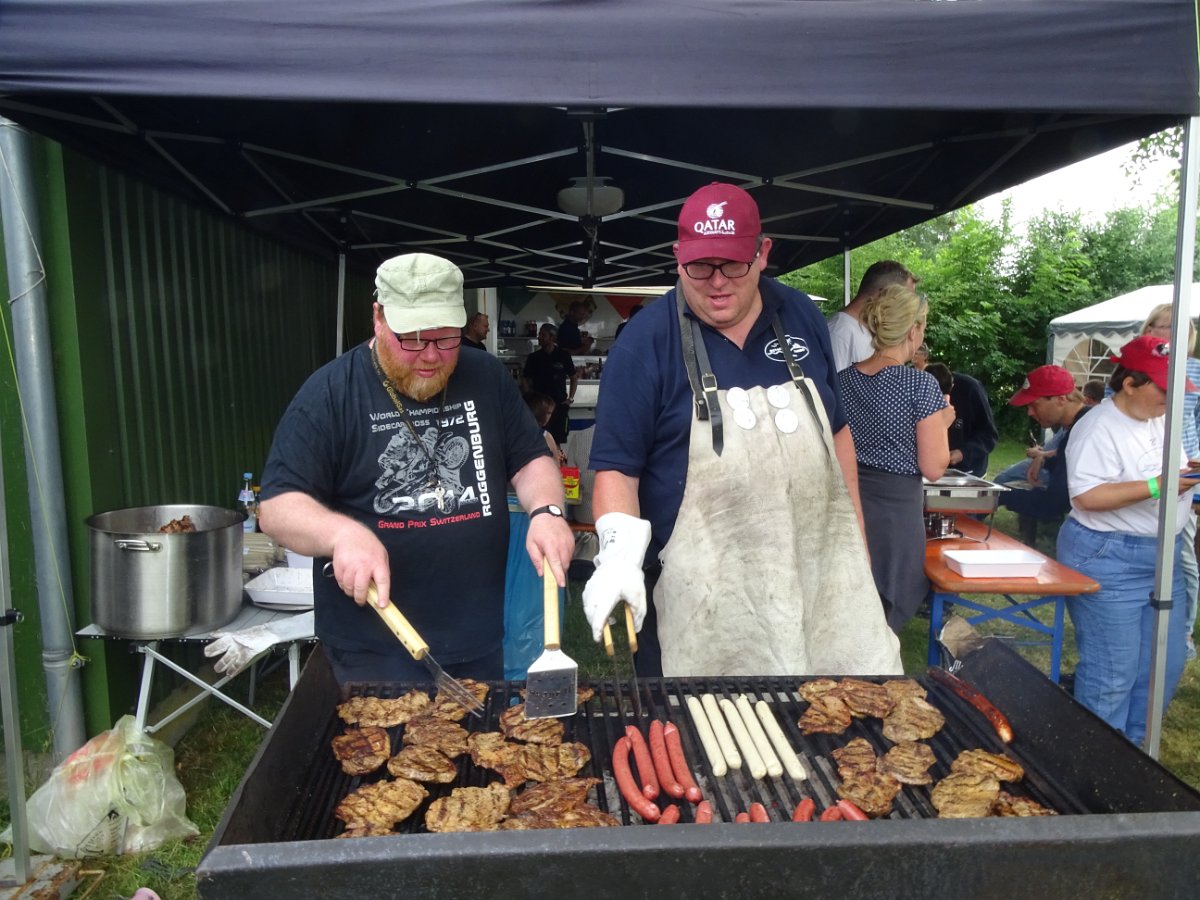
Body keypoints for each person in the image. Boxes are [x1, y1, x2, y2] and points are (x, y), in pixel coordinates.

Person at [581, 182, 902, 678]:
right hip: (703, 601)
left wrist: (853, 544)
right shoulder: (644, 344)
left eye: (733, 264)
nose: (716, 282)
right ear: (676, 256)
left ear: (763, 252)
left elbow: (835, 435)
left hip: (816, 581)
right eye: (699, 266)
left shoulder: (802, 316)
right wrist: (618, 557)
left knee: (828, 729)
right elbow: (616, 472)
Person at [257, 252, 574, 685]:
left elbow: (531, 458)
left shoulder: (484, 375)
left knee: (477, 752)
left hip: (477, 638)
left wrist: (547, 512)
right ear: (378, 319)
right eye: (412, 338)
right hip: (373, 649)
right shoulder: (330, 393)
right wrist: (342, 534)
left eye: (446, 339)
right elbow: (276, 507)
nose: (429, 356)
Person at [1058, 334, 1199, 745]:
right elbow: (1087, 496)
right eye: (1164, 389)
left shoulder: (1160, 419)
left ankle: (1135, 759)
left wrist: (1187, 476)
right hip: (1109, 555)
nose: (1171, 399)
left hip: (1162, 555)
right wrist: (1160, 486)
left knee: (1163, 668)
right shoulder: (1097, 426)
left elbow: (1169, 472)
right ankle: (1099, 770)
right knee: (1112, 673)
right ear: (1129, 384)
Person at [838, 285, 953, 630]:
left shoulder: (842, 380)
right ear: (914, 330)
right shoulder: (920, 385)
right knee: (890, 606)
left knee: (855, 601)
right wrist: (944, 422)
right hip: (896, 512)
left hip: (850, 502)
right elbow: (934, 467)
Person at [1141, 303, 1200, 661]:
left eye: (1175, 328)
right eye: (1161, 327)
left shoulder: (1194, 369)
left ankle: (1185, 631)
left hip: (1184, 476)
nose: (1167, 334)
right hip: (1141, 468)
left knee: (1184, 559)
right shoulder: (1135, 369)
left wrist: (1194, 477)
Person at [995, 365, 1091, 522]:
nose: (1030, 412)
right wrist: (1045, 460)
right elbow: (1068, 464)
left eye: (1034, 405)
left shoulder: (1084, 431)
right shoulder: (1079, 424)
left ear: (1061, 399)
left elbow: (1053, 503)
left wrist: (1001, 494)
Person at [826, 260, 919, 372]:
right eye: (903, 301)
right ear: (883, 294)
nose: (907, 309)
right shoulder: (839, 333)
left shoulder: (862, 331)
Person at [927, 363, 998, 476]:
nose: (944, 402)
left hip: (968, 470)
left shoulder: (971, 389)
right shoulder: (918, 389)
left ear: (953, 385)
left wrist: (963, 453)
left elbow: (989, 435)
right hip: (932, 468)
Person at [522, 323, 577, 445]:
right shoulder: (534, 357)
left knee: (558, 440)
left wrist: (570, 399)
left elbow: (574, 377)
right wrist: (529, 398)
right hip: (539, 406)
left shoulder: (563, 355)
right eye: (539, 334)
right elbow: (525, 378)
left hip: (559, 404)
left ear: (552, 338)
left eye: (543, 335)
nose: (539, 337)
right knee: (538, 439)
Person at [525, 391, 567, 464]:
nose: (549, 417)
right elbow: (556, 464)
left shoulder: (515, 433)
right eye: (548, 413)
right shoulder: (545, 436)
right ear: (539, 412)